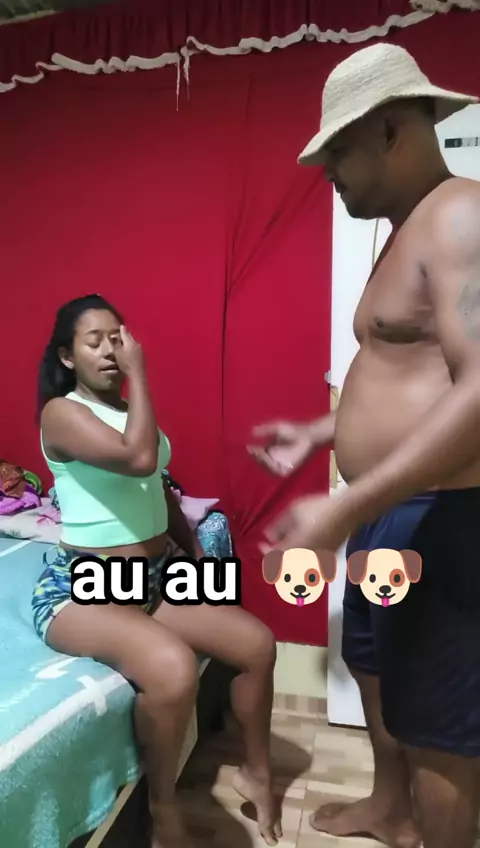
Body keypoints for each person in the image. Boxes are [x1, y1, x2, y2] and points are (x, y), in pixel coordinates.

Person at [250, 43, 480, 848]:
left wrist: (347, 504)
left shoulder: (460, 216)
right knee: (378, 665)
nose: (327, 174)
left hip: (445, 515)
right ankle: (390, 807)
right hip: (394, 509)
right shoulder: (406, 228)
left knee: (444, 730)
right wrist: (322, 432)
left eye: (336, 152)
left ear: (390, 130)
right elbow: (413, 370)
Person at [33, 294, 282, 848]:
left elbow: (156, 485)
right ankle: (162, 807)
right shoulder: (61, 413)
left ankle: (257, 772)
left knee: (257, 645)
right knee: (174, 670)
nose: (111, 350)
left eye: (117, 338)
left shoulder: (130, 412)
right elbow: (141, 459)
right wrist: (141, 372)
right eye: (95, 341)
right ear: (67, 357)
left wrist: (192, 556)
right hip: (82, 585)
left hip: (152, 576)